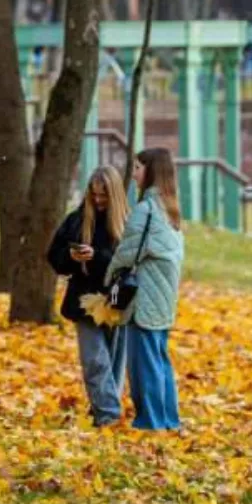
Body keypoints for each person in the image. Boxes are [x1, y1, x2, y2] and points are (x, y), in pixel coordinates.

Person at [106, 148, 184, 431]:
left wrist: (107, 279)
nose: (134, 174)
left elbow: (127, 254)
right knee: (160, 362)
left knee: (143, 367)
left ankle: (150, 422)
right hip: (162, 300)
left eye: (138, 168)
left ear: (150, 171)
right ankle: (169, 420)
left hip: (144, 301)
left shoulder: (146, 210)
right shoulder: (171, 209)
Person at [47, 165, 129, 427]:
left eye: (104, 196)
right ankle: (108, 415)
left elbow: (128, 263)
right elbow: (54, 257)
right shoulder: (76, 220)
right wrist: (71, 258)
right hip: (84, 298)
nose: (99, 201)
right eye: (94, 195)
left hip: (118, 298)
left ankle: (103, 410)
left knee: (114, 362)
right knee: (94, 359)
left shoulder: (127, 224)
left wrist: (98, 258)